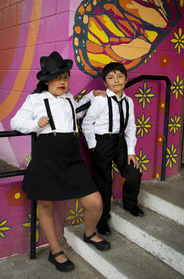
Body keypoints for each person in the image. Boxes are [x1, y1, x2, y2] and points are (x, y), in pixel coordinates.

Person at [10, 51, 110, 273]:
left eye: (65, 77)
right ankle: (55, 251)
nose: (63, 82)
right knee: (45, 205)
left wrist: (92, 96)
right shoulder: (34, 100)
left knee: (94, 202)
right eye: (57, 78)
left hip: (72, 160)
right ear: (46, 81)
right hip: (47, 159)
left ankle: (89, 232)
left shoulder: (68, 99)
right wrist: (36, 123)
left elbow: (76, 113)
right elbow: (16, 121)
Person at [82, 62, 144, 236]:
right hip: (102, 143)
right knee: (103, 183)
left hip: (120, 142)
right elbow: (87, 122)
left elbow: (131, 126)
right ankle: (102, 220)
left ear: (125, 78)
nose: (116, 80)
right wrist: (93, 145)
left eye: (120, 76)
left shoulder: (129, 101)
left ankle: (130, 204)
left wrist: (131, 150)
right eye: (111, 77)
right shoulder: (101, 100)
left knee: (133, 173)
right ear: (105, 82)